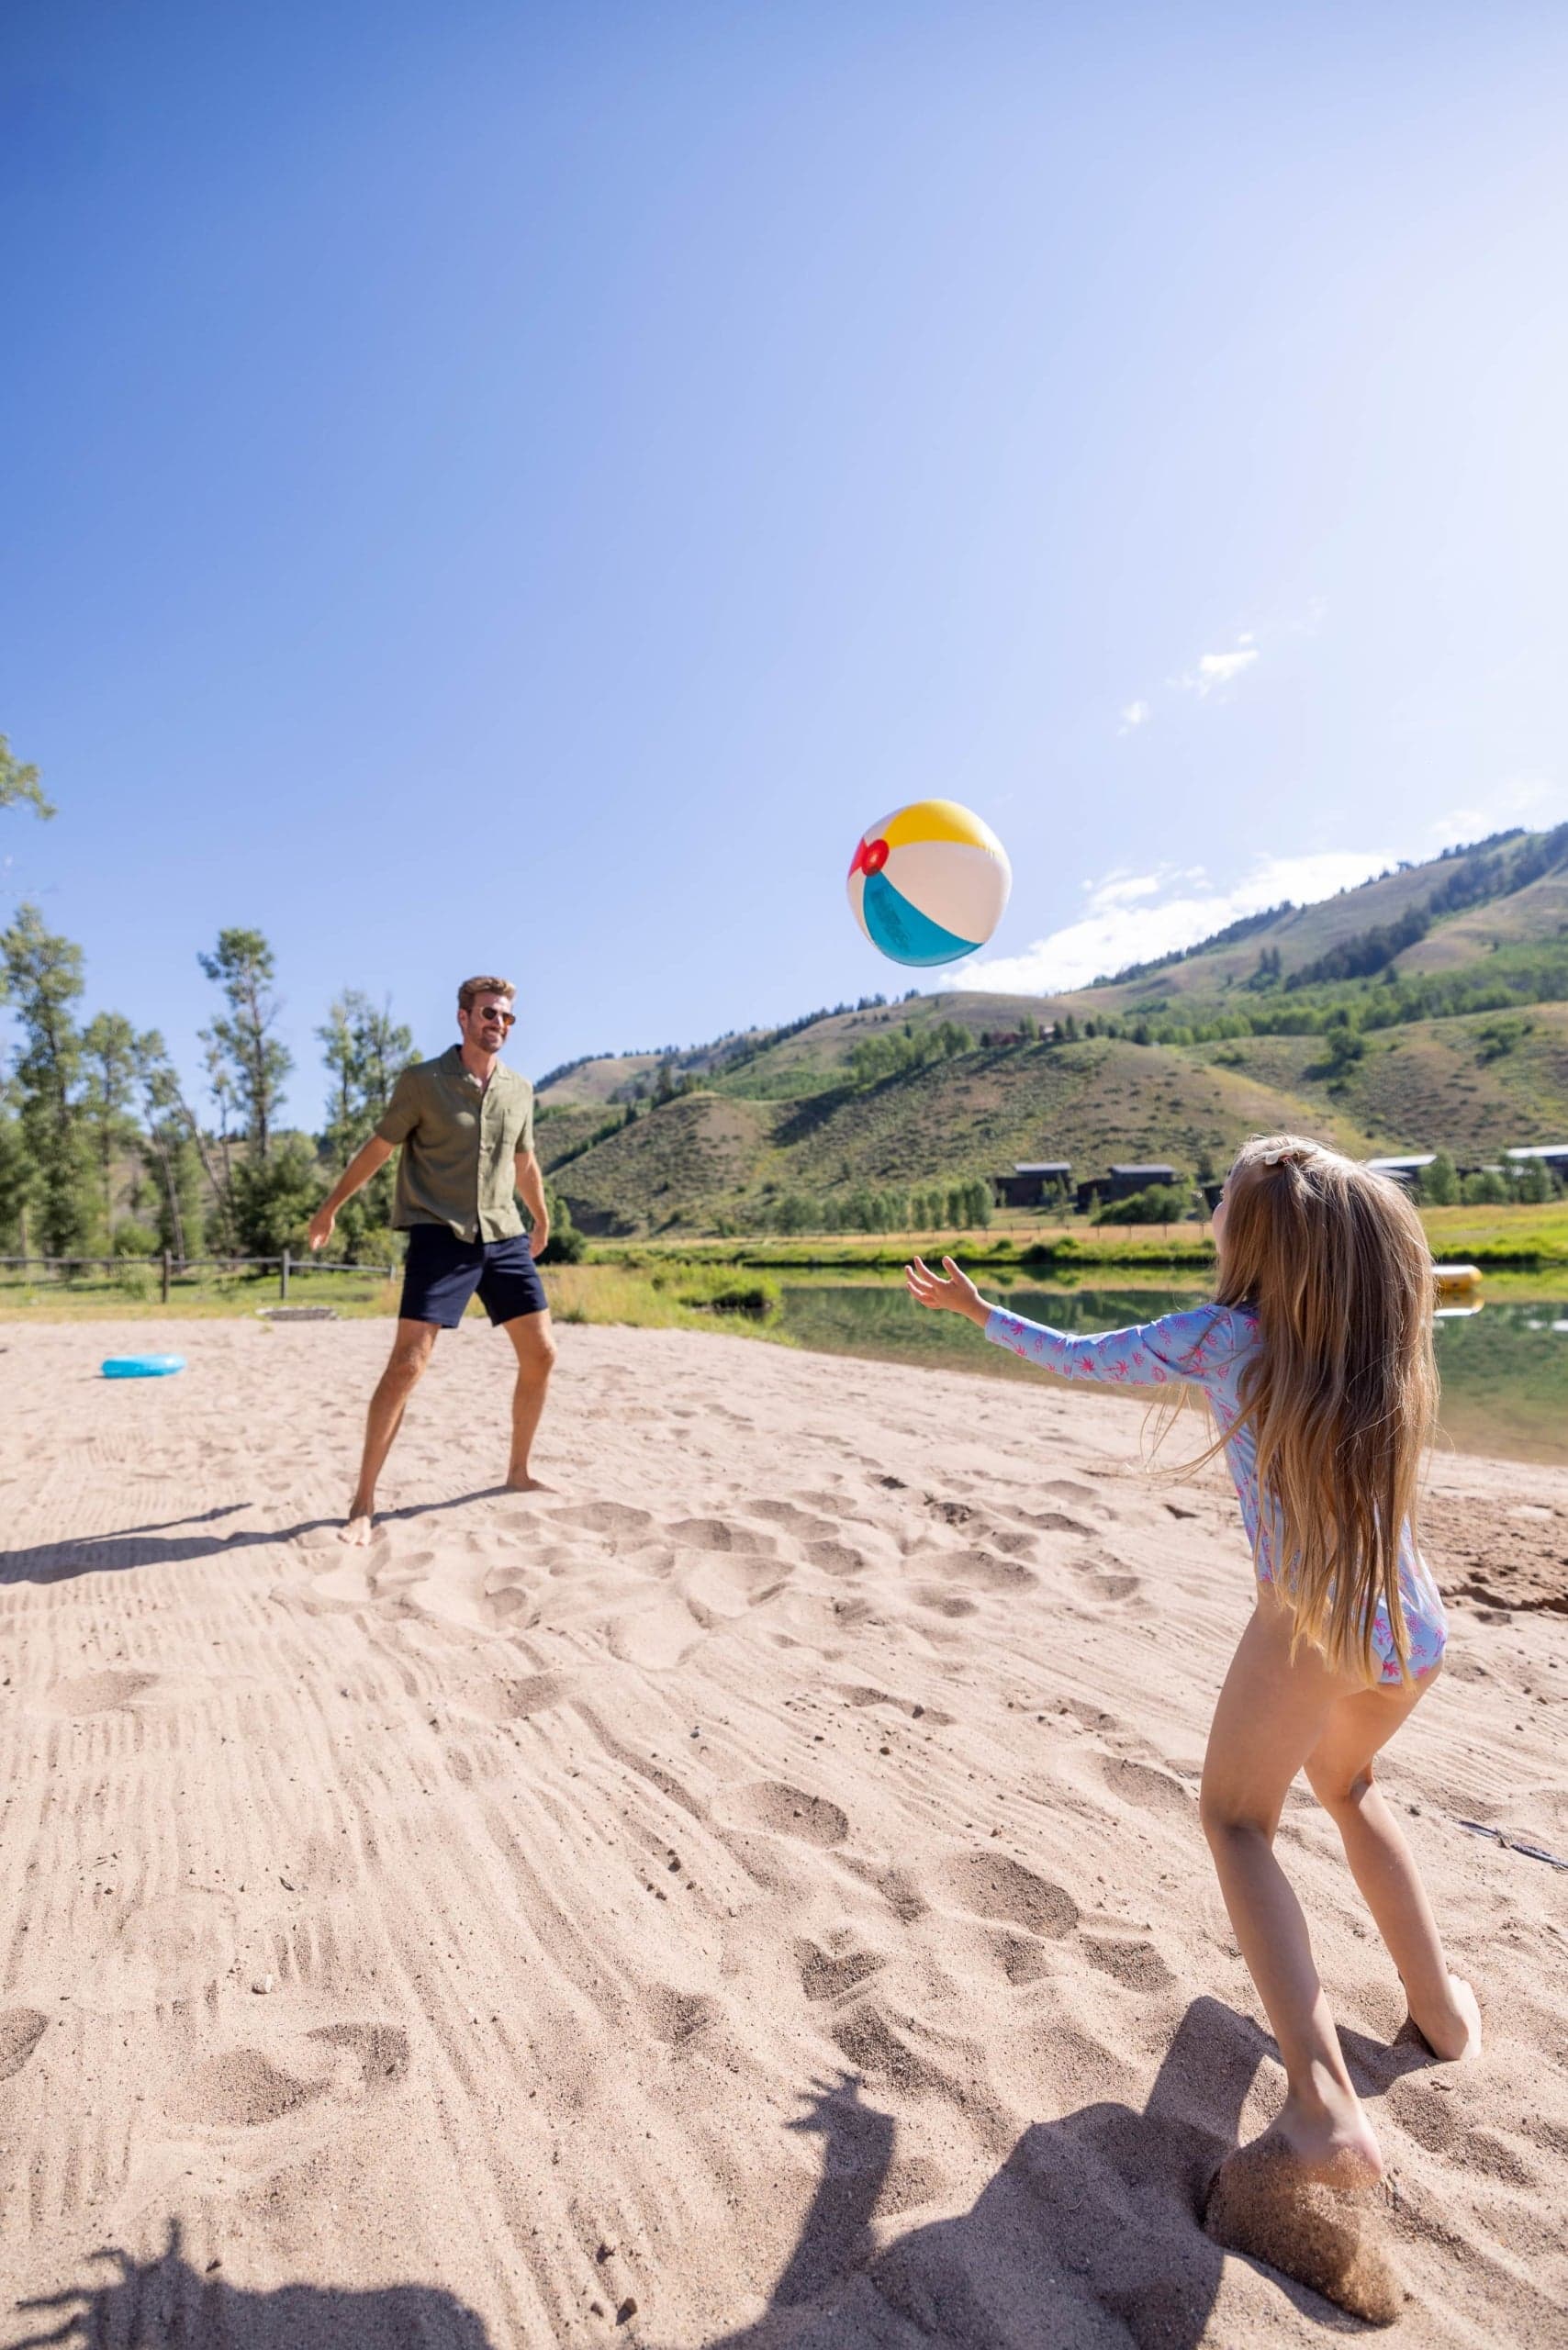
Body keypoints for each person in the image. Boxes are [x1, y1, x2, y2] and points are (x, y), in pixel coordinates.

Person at [906, 1135, 1480, 2310]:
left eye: (1223, 1211)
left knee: (1235, 1822)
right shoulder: (1375, 1331)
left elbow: (1084, 1354)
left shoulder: (1226, 1340)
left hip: (1310, 1621)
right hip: (1410, 1634)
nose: (1213, 1224)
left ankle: (1321, 2103)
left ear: (1255, 1244)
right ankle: (1441, 2012)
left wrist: (980, 1315)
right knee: (1351, 1787)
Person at [307, 975, 555, 1545]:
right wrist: (330, 1209)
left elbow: (525, 1161)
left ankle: (517, 1472)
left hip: (503, 1234)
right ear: (464, 1019)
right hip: (440, 1234)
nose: (499, 1024)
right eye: (489, 1014)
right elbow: (378, 1147)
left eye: (507, 1017)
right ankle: (363, 1501)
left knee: (542, 1354)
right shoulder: (422, 1082)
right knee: (407, 1366)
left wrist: (540, 1218)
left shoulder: (520, 1089)